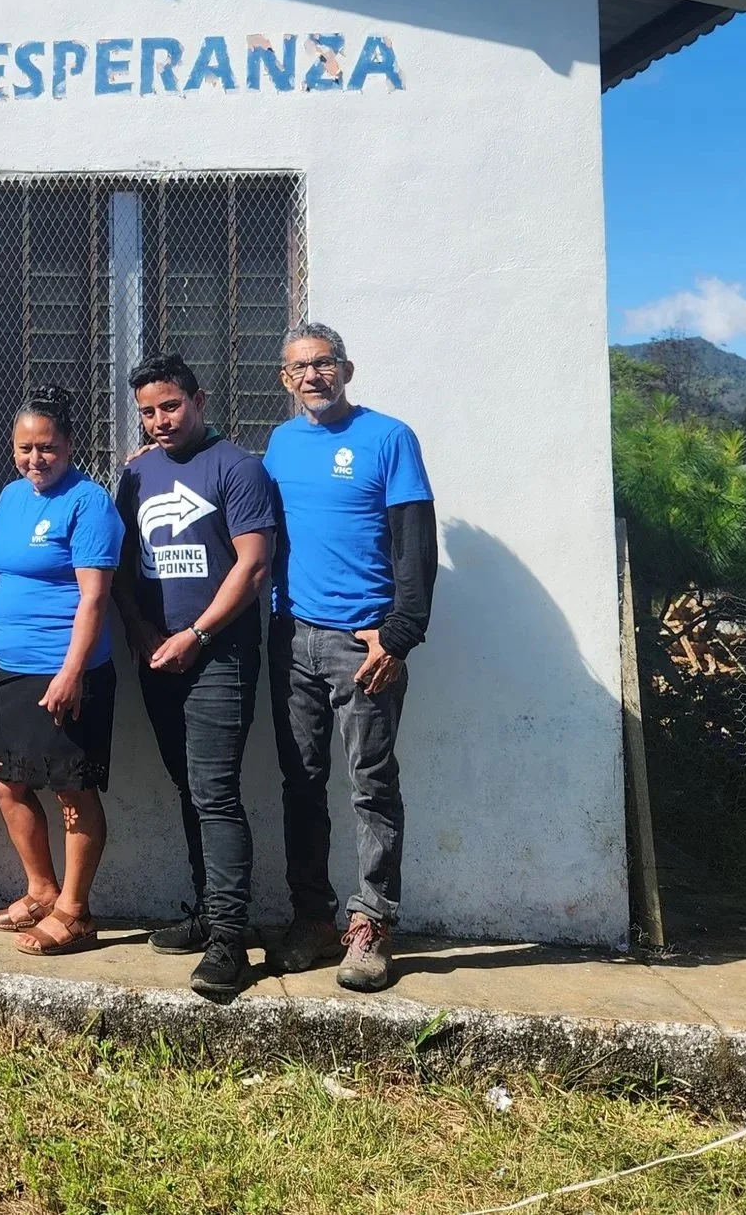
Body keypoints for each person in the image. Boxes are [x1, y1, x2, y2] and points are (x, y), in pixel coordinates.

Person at [263, 321, 437, 992]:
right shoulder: (281, 442)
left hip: (363, 644)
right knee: (301, 784)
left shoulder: (388, 438)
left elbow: (416, 545)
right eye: (300, 366)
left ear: (347, 368)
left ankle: (371, 924)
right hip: (292, 637)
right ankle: (312, 916)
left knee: (371, 784)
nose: (313, 375)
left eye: (324, 362)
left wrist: (398, 635)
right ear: (285, 378)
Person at [114, 353, 277, 1004]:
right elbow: (121, 562)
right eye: (148, 411)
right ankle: (209, 910)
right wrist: (141, 630)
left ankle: (230, 941)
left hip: (217, 656)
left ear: (199, 399)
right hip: (158, 656)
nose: (159, 420)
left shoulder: (237, 468)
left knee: (215, 791)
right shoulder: (135, 472)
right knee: (187, 784)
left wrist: (197, 635)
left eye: (170, 406)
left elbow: (253, 566)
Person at [0, 384, 125, 957]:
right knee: (1, 779)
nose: (35, 459)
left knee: (71, 789)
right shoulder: (12, 498)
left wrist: (71, 673)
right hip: (8, 667)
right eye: (24, 448)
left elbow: (94, 599)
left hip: (65, 670)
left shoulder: (88, 503)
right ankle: (42, 889)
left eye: (47, 448)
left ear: (70, 446)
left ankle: (76, 911)